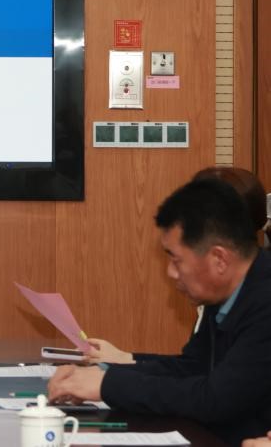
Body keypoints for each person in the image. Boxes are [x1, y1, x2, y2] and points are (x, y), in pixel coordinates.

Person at [48, 178, 271, 445]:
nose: (171, 272)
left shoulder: (264, 301)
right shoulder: (225, 291)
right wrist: (104, 374)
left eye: (176, 260)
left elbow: (216, 399)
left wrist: (108, 386)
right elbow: (192, 368)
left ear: (219, 259)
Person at [84, 166, 268, 366]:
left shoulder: (259, 302)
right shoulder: (220, 289)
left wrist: (107, 380)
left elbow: (215, 384)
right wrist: (124, 360)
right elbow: (195, 366)